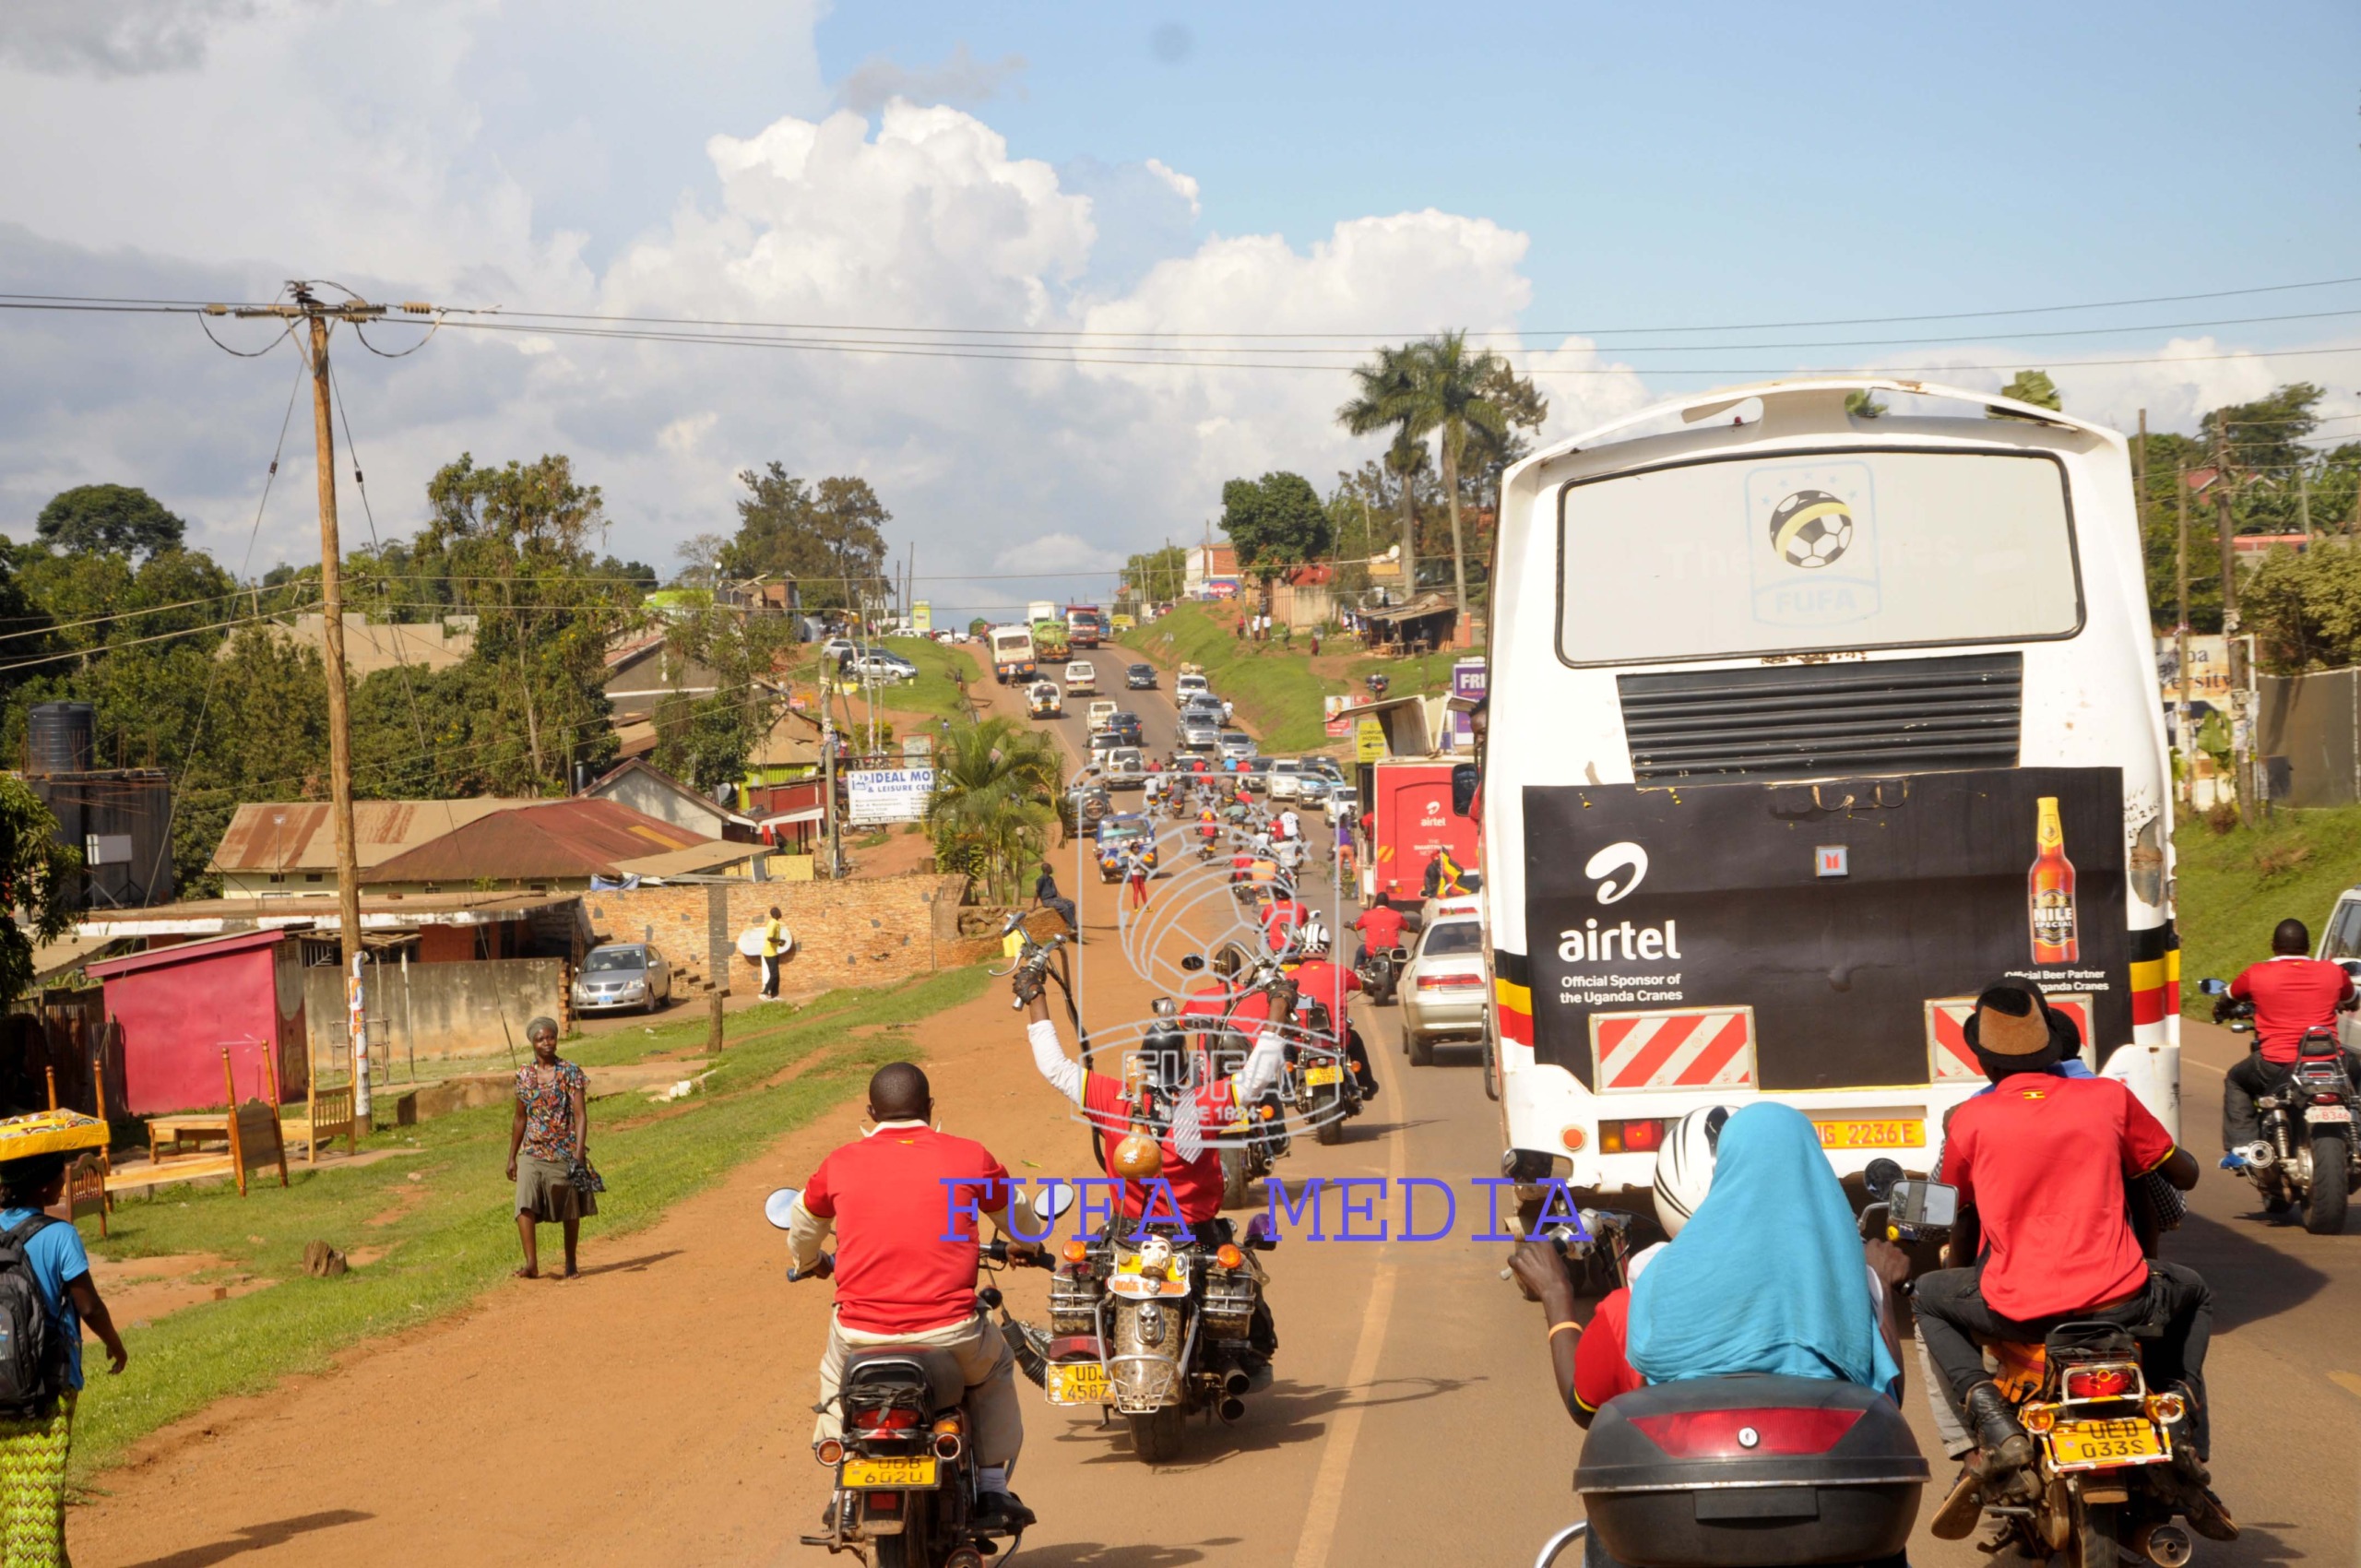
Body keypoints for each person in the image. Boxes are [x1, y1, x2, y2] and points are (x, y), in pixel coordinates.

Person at [1912, 980, 2228, 1541]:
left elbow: (1955, 1211)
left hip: (2017, 1309)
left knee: (1927, 1299)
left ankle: (1988, 1416)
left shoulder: (1968, 1120)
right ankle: (2183, 1421)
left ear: (1982, 1060)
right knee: (2195, 1290)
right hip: (2124, 1300)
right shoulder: (2108, 1099)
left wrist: (1960, 1272)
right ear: (2054, 1050)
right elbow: (2184, 1177)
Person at [781, 1063, 1042, 1535]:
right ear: (930, 1108)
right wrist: (1030, 1241)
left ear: (870, 1112)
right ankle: (992, 1484)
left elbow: (803, 1225)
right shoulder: (969, 1157)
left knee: (834, 1376)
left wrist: (808, 1262)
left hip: (862, 1334)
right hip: (952, 1333)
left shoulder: (840, 1162)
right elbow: (1021, 1219)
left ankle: (840, 1492)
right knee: (996, 1368)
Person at [0, 1152, 127, 1565]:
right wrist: (114, 1342)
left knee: (8, 1490)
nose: (62, 1181)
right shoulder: (60, 1236)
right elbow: (88, 1306)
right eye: (57, 1176)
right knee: (42, 1491)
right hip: (49, 1381)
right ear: (42, 1187)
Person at [2219, 917, 2361, 1152]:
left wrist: (2221, 1009)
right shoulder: (2333, 972)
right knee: (2356, 1070)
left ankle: (2243, 1146)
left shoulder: (2257, 974)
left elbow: (2229, 997)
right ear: (2307, 946)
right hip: (2330, 1061)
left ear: (2273, 945)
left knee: (2236, 1079)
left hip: (2276, 1064)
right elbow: (2353, 999)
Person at [506, 1016, 594, 1279]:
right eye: (540, 1039)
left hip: (563, 1150)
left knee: (570, 1207)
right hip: (532, 1151)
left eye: (550, 1037)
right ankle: (531, 1264)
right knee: (524, 1204)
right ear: (532, 1043)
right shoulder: (524, 1075)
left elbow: (580, 1116)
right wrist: (512, 1157)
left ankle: (571, 1262)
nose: (546, 1043)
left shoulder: (570, 1072)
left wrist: (578, 1156)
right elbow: (520, 1118)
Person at [1286, 927, 1379, 1100]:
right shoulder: (1340, 971)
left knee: (1285, 1047)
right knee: (1356, 1041)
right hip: (1338, 1038)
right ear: (1327, 946)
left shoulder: (1289, 977)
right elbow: (1361, 984)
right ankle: (1367, 1087)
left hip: (1302, 1041)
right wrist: (1370, 983)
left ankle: (1287, 1089)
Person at [1350, 891, 1417, 966]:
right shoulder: (1397, 915)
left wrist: (1349, 925)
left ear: (1376, 902)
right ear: (1388, 902)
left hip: (1371, 951)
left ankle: (1356, 975)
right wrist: (1418, 930)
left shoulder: (1367, 915)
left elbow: (1356, 927)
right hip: (1392, 951)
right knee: (1402, 952)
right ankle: (1402, 974)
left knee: (1360, 951)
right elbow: (1408, 928)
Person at [1032, 862, 1078, 936]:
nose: (1051, 869)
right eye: (1050, 868)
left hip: (1054, 898)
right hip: (1047, 901)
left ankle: (1070, 925)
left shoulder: (1051, 879)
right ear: (1046, 869)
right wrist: (1033, 907)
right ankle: (1073, 926)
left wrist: (1061, 899)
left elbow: (1056, 891)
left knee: (1071, 904)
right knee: (1064, 907)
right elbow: (1037, 893)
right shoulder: (1040, 880)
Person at [759, 905, 786, 998]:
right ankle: (765, 992)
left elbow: (773, 938)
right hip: (769, 953)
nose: (780, 913)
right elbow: (770, 938)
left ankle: (775, 995)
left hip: (773, 952)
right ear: (775, 913)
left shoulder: (776, 923)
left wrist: (779, 943)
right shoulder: (773, 923)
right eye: (778, 911)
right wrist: (780, 941)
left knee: (776, 976)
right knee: (774, 974)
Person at [1124, 842, 1151, 911]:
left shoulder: (1138, 856)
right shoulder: (1131, 857)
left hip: (1139, 875)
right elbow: (1134, 867)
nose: (1137, 849)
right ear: (1132, 849)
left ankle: (1147, 907)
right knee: (1136, 891)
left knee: (1143, 891)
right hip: (1134, 876)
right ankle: (1136, 908)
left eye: (1138, 847)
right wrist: (1140, 865)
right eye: (1135, 848)